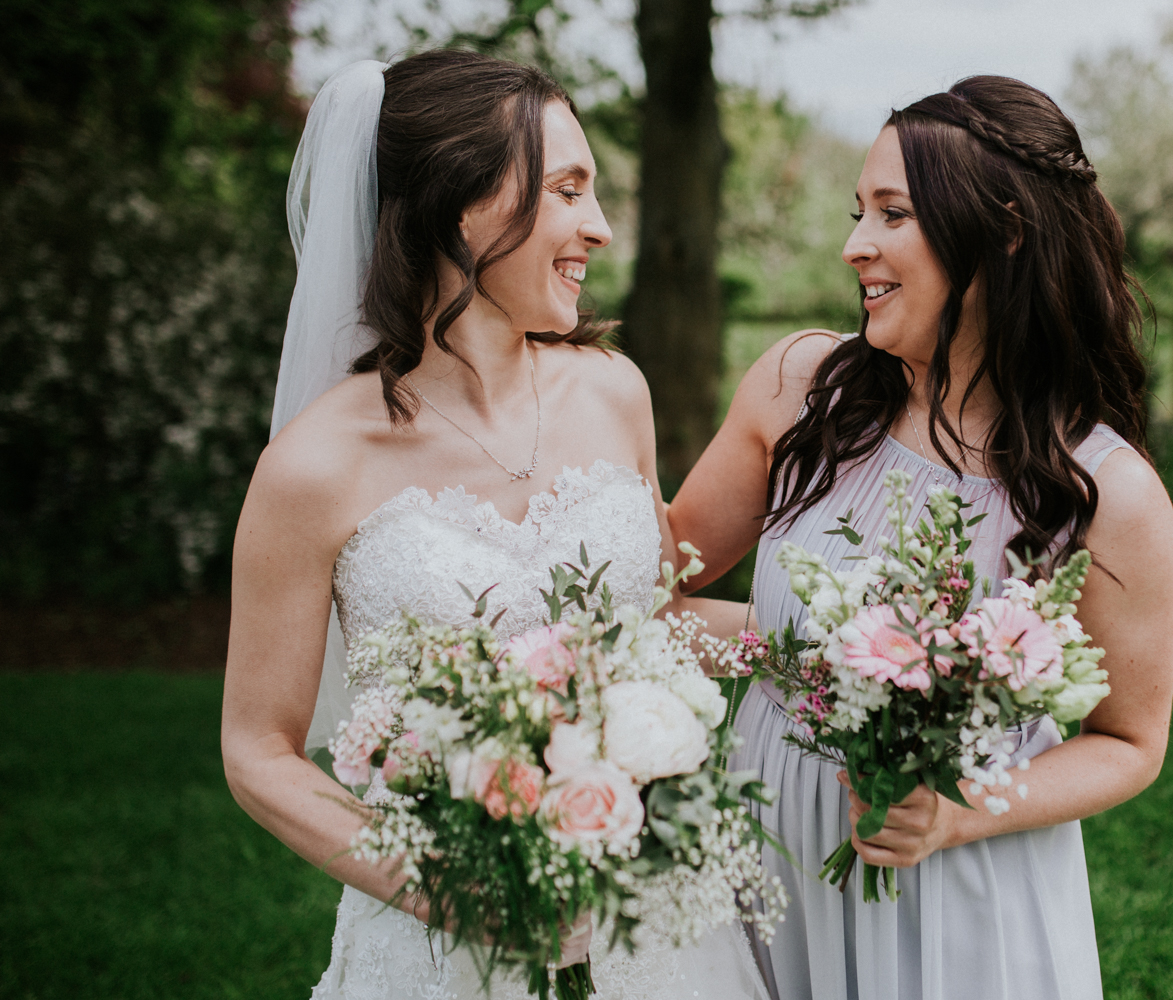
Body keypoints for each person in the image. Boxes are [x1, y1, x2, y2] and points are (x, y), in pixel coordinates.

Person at [220, 51, 767, 1000]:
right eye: (567, 190)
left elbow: (652, 618)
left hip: (656, 923)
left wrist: (823, 644)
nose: (597, 227)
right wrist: (453, 890)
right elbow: (257, 751)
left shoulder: (613, 392)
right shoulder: (313, 467)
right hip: (443, 944)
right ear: (463, 204)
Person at [667, 76, 1173, 1000]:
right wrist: (804, 652)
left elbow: (1131, 742)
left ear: (1005, 232)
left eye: (892, 214)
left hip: (957, 894)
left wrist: (959, 810)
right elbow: (660, 593)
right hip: (764, 856)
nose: (853, 245)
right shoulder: (799, 390)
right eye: (858, 211)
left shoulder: (1105, 492)